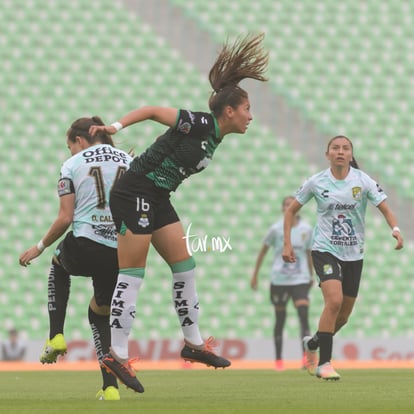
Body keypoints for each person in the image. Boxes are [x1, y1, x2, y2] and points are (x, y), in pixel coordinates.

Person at [88, 33, 269, 393]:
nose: (251, 116)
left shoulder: (214, 137)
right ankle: (116, 354)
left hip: (158, 197)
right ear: (229, 111)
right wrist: (116, 128)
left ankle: (193, 344)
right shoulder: (199, 124)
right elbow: (155, 111)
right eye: (247, 109)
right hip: (134, 191)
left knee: (185, 267)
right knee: (133, 274)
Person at [19, 116, 133, 400]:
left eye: (69, 145)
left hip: (84, 241)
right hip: (117, 250)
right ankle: (110, 388)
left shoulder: (73, 163)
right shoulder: (128, 162)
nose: (70, 151)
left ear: (79, 141)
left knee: (58, 263)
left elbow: (65, 218)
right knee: (99, 314)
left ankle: (56, 334)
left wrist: (40, 246)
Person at [282, 135, 404, 380]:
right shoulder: (316, 182)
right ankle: (324, 364)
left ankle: (314, 342)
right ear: (327, 154)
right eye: (335, 148)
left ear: (351, 154)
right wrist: (288, 244)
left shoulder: (363, 181)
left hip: (354, 254)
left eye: (345, 148)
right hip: (325, 249)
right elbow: (291, 211)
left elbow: (386, 209)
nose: (340, 151)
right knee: (334, 301)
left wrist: (396, 230)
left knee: (344, 316)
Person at [251, 196, 313, 371]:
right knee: (280, 319)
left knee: (303, 315)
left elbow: (309, 253)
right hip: (279, 280)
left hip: (300, 279)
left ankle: (305, 358)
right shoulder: (276, 229)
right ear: (282, 208)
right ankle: (279, 360)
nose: (288, 207)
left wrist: (312, 275)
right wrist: (255, 275)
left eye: (291, 204)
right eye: (285, 204)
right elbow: (263, 251)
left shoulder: (306, 229)